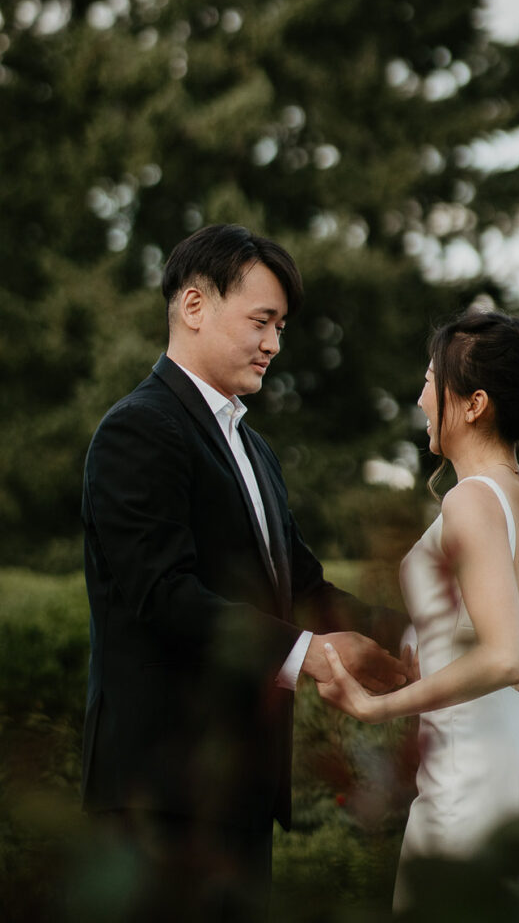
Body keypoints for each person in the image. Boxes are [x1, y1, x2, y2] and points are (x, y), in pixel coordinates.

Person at [81, 223, 408, 922]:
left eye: (281, 326)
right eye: (262, 321)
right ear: (194, 306)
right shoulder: (136, 430)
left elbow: (303, 589)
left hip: (240, 795)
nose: (275, 344)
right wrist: (310, 655)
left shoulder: (254, 449)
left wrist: (419, 634)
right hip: (159, 798)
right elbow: (162, 595)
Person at [317, 309, 519, 911]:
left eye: (430, 380)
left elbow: (502, 657)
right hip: (512, 765)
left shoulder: (472, 500)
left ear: (473, 403)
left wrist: (380, 708)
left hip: (475, 780)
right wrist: (459, 671)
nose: (421, 396)